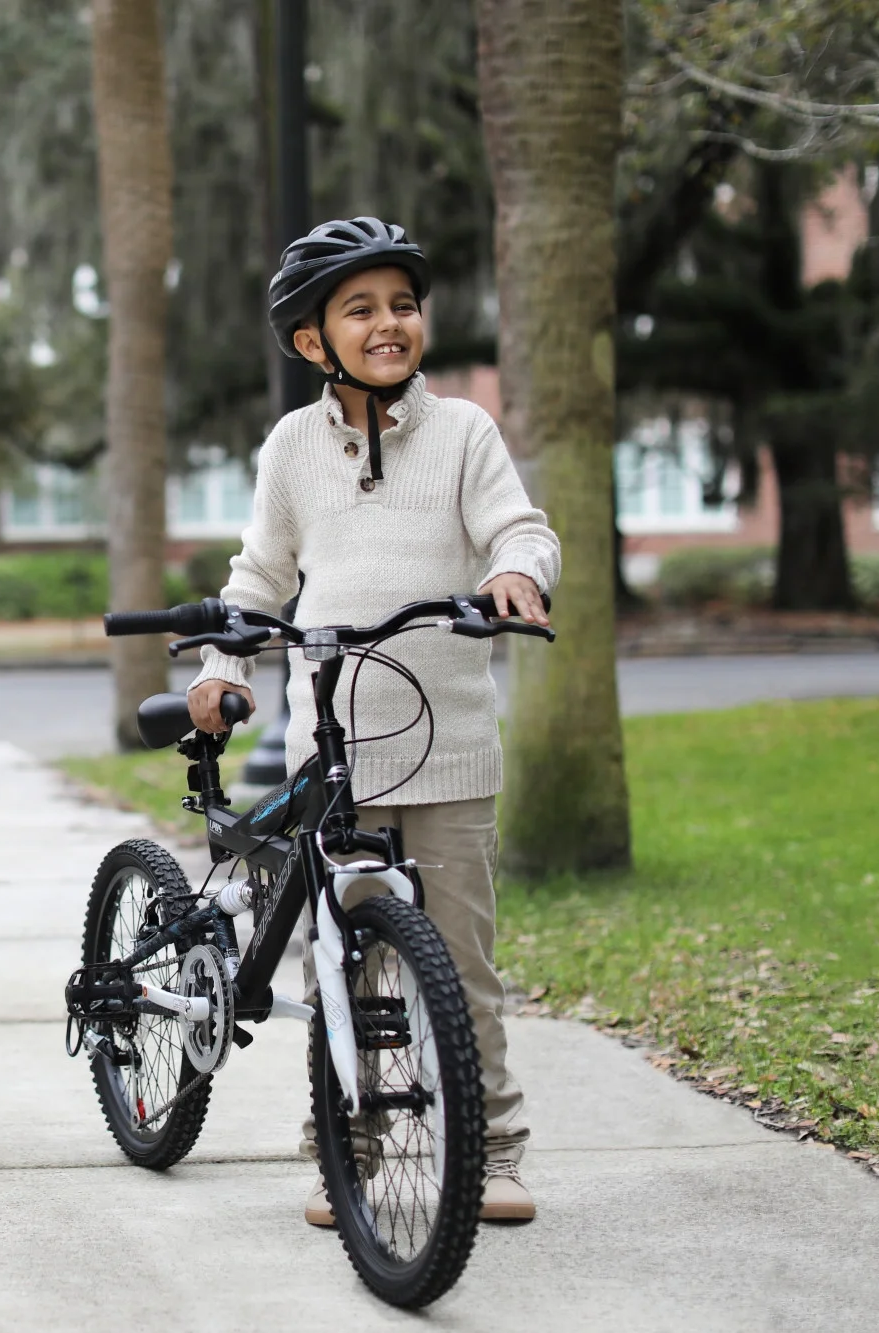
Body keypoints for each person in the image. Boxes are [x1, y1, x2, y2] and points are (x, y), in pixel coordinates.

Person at [186, 217, 559, 1227]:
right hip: (334, 752)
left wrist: (516, 569)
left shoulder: (463, 433)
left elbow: (516, 526)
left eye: (402, 304)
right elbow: (256, 578)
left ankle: (491, 1155)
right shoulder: (293, 447)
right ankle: (343, 1153)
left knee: (463, 969)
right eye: (361, 310)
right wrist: (223, 667)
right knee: (340, 968)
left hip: (449, 748)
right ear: (312, 341)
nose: (389, 324)